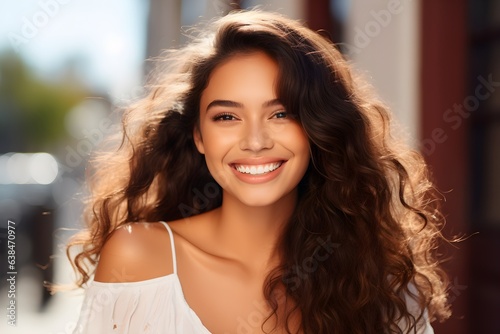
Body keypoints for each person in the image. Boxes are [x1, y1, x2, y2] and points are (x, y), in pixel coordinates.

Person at [68, 10, 451, 334]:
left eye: (281, 113)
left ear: (317, 129)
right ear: (199, 136)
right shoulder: (139, 257)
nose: (255, 141)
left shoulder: (377, 281)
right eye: (227, 116)